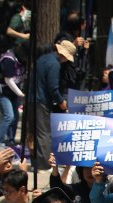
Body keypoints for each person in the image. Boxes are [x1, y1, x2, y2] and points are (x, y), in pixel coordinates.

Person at [34, 39, 75, 170]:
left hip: (32, 98)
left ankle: (38, 160)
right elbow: (53, 87)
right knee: (44, 132)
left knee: (36, 131)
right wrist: (61, 101)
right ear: (63, 55)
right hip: (41, 100)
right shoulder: (54, 64)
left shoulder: (42, 58)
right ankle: (44, 164)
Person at [0, 44, 27, 147]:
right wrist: (21, 94)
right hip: (3, 92)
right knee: (8, 116)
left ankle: (11, 140)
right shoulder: (9, 59)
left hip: (14, 93)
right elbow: (8, 80)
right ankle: (0, 141)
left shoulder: (23, 61)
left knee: (15, 117)